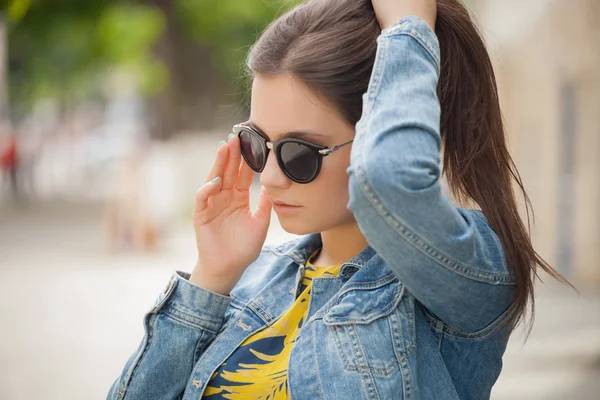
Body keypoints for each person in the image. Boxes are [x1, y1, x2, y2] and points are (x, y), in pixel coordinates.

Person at [107, 1, 572, 399]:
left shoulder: (464, 277)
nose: (267, 177)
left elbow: (387, 183)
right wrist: (213, 277)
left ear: (376, 133)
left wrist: (408, 31)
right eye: (256, 143)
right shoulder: (256, 279)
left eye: (299, 153)